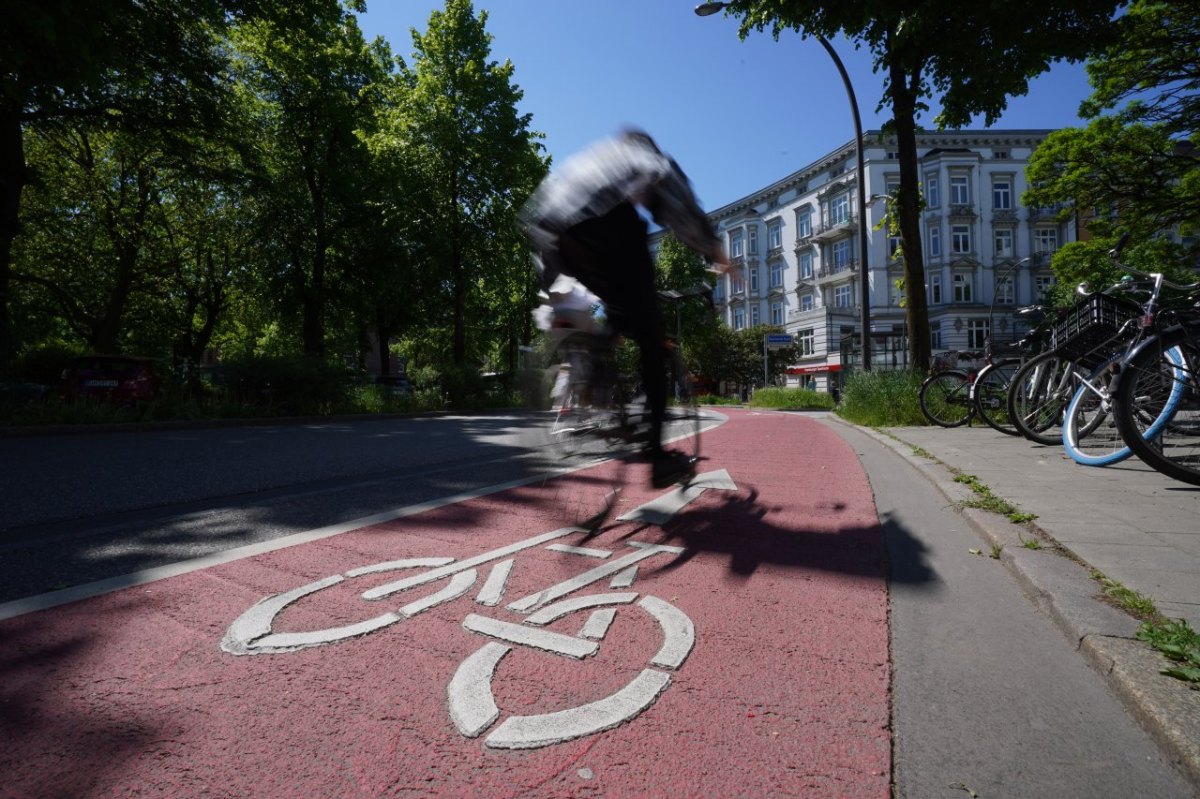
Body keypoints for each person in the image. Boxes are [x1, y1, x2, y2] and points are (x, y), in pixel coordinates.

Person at [521, 128, 730, 488]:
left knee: (618, 305)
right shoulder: (643, 157)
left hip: (554, 238)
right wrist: (713, 249)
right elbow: (674, 198)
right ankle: (658, 457)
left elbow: (539, 224)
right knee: (651, 335)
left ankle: (601, 363)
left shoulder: (591, 158)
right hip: (606, 226)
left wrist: (552, 286)